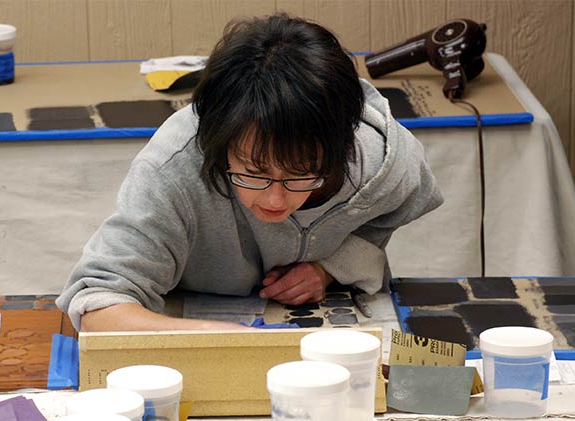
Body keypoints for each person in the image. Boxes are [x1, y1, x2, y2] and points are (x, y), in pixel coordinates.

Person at [56, 14, 443, 332]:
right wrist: (222, 339)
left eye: (302, 174)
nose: (276, 200)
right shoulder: (173, 168)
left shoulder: (379, 157)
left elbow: (393, 212)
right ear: (219, 143)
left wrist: (331, 267)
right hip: (196, 323)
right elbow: (97, 305)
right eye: (254, 173)